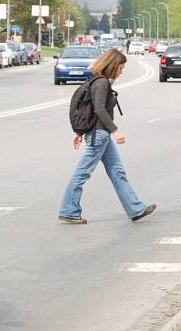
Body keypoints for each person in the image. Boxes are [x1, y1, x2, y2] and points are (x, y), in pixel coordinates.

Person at [58, 48, 156, 225]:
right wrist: (115, 130)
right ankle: (69, 211)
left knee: (117, 171)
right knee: (82, 173)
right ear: (112, 65)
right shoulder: (102, 83)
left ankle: (136, 209)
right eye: (120, 67)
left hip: (99, 134)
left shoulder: (96, 80)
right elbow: (99, 110)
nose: (121, 71)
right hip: (99, 134)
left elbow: (91, 109)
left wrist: (79, 132)